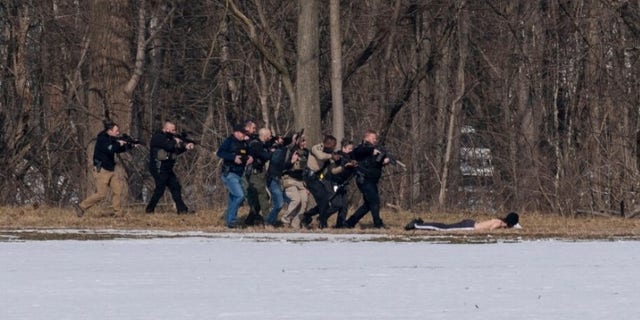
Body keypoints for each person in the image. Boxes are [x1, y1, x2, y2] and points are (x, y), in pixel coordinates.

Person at [74, 121, 135, 217]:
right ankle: (81, 207)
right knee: (101, 194)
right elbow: (110, 149)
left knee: (118, 191)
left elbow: (117, 149)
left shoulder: (112, 139)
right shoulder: (102, 140)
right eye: (116, 131)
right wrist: (119, 143)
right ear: (109, 131)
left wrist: (130, 146)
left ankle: (117, 213)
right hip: (102, 170)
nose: (118, 133)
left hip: (111, 169)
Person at [303, 140, 357, 228]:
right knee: (334, 204)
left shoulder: (351, 157)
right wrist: (344, 165)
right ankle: (318, 217)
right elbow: (334, 168)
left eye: (352, 149)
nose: (351, 150)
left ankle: (340, 224)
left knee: (344, 204)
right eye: (349, 149)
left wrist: (353, 165)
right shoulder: (338, 155)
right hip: (331, 182)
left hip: (341, 183)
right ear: (343, 148)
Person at [145, 121, 195, 214]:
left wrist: (185, 147)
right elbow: (168, 146)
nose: (174, 132)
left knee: (176, 187)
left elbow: (174, 151)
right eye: (172, 130)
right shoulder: (158, 137)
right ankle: (150, 209)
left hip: (167, 168)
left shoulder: (169, 139)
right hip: (158, 167)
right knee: (160, 189)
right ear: (166, 129)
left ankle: (182, 210)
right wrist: (175, 140)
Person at [345, 130, 389, 229]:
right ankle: (378, 224)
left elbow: (374, 164)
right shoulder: (362, 147)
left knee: (368, 205)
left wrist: (384, 161)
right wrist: (371, 151)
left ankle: (350, 223)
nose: (375, 140)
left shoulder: (374, 149)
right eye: (373, 138)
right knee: (374, 201)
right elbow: (357, 152)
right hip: (364, 179)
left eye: (376, 139)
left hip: (372, 180)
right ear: (367, 137)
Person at [216, 124, 253, 228]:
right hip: (230, 173)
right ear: (235, 132)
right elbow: (220, 153)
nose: (243, 135)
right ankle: (232, 220)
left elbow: (250, 153)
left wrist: (250, 158)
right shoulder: (229, 141)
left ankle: (229, 221)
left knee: (233, 198)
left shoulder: (245, 143)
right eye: (242, 133)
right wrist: (233, 157)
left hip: (239, 174)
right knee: (239, 196)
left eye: (245, 133)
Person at [300, 135, 338, 229]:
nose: (334, 147)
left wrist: (343, 166)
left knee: (325, 199)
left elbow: (333, 170)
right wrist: (331, 156)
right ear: (327, 143)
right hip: (308, 176)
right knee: (323, 199)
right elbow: (320, 156)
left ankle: (307, 216)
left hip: (316, 178)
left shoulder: (330, 153)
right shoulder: (317, 148)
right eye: (333, 145)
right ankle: (321, 222)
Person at [244, 127, 272, 226]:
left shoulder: (263, 144)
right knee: (263, 195)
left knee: (260, 198)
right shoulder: (256, 144)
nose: (270, 137)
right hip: (254, 174)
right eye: (269, 135)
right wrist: (272, 153)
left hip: (260, 173)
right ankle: (267, 220)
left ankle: (250, 220)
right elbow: (264, 156)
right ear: (264, 135)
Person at [280, 136, 309, 228]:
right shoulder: (290, 151)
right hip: (290, 179)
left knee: (304, 201)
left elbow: (307, 168)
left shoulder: (306, 152)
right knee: (296, 200)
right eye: (302, 141)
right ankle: (286, 219)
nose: (304, 143)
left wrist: (308, 185)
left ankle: (295, 224)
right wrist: (291, 161)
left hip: (301, 181)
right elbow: (283, 166)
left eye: (305, 140)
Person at [404, 212, 522, 231]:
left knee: (444, 226)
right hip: (469, 227)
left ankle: (421, 224)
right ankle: (416, 225)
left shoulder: (499, 220)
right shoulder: (499, 223)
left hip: (470, 223)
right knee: (443, 229)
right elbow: (490, 231)